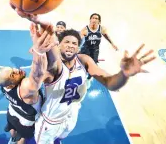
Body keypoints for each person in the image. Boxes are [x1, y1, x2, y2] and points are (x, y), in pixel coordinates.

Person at [13, 8, 156, 144]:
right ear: (59, 45)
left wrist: (124, 74)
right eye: (66, 42)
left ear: (78, 47)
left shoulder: (85, 60)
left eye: (74, 43)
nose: (70, 45)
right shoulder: (54, 65)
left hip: (71, 112)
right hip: (50, 120)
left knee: (62, 134)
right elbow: (49, 40)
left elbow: (111, 83)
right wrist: (38, 20)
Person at [0, 24, 57, 144]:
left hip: (12, 112)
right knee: (23, 138)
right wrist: (38, 51)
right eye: (13, 75)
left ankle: (12, 139)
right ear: (10, 85)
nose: (17, 70)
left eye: (12, 70)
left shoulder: (4, 87)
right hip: (26, 121)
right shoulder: (25, 89)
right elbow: (38, 72)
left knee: (12, 129)